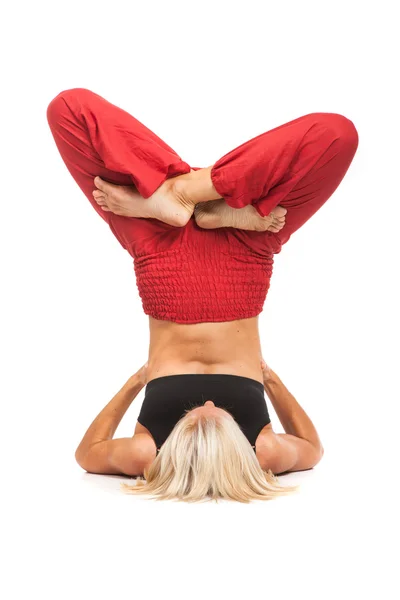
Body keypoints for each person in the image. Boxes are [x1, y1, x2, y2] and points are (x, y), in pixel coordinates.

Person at [46, 88, 358, 503]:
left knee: (69, 110)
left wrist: (137, 381)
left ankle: (181, 196)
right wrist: (270, 378)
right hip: (245, 247)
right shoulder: (261, 451)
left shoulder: (148, 454)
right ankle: (197, 194)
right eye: (215, 418)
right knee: (337, 135)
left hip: (162, 254)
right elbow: (313, 449)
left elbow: (87, 455)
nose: (208, 405)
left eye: (197, 422)